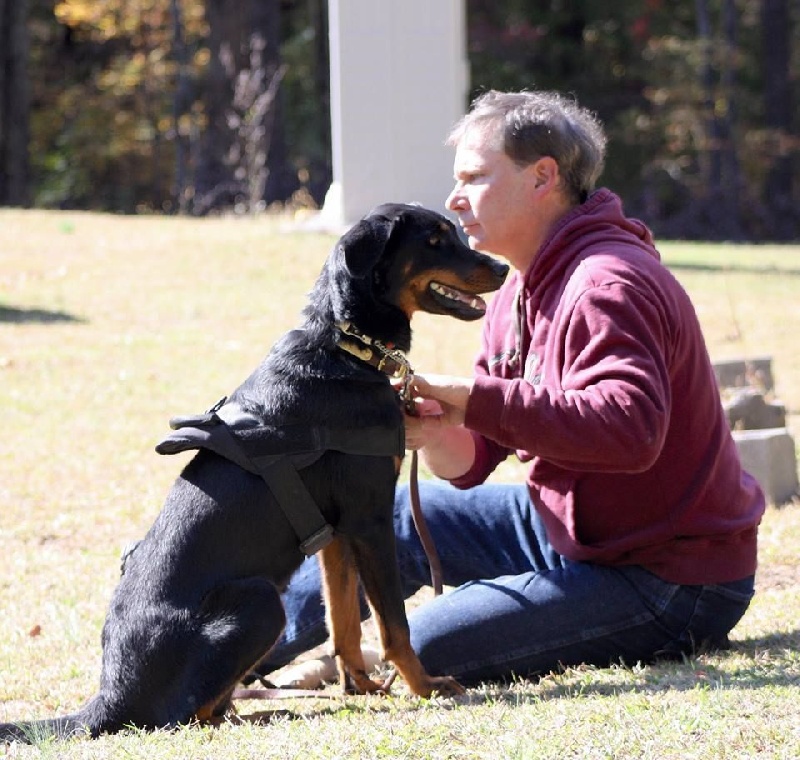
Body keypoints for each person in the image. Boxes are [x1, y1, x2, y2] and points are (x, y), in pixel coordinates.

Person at [256, 90, 765, 687]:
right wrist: (434, 428)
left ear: (542, 177)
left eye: (474, 177)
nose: (453, 199)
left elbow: (631, 431)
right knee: (385, 519)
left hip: (672, 577)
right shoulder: (515, 289)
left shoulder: (608, 283)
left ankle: (354, 659)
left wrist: (472, 397)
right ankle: (227, 656)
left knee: (428, 645)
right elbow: (474, 460)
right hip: (565, 529)